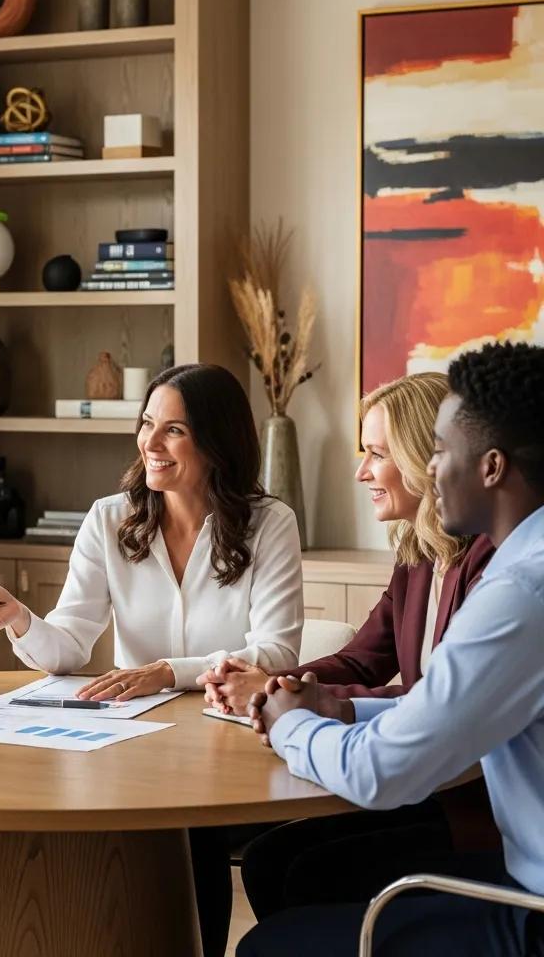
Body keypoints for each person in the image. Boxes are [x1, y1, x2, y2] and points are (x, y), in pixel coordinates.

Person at [0, 362, 305, 957]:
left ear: (216, 441)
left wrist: (169, 671)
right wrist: (18, 618)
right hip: (132, 745)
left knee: (192, 838)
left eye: (174, 431)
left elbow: (275, 652)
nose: (151, 443)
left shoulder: (269, 524)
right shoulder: (109, 519)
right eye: (146, 424)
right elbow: (68, 646)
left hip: (225, 745)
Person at [239, 341, 544, 957]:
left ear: (489, 467)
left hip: (531, 906)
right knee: (290, 866)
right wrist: (340, 709)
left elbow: (381, 774)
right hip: (521, 868)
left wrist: (293, 722)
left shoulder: (519, 592)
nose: (429, 471)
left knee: (267, 945)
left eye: (437, 452)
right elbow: (444, 705)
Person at [197, 373, 497, 917]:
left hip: (470, 805)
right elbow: (363, 657)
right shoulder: (418, 555)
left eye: (376, 454)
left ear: (422, 458)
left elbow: (437, 701)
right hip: (423, 781)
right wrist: (275, 687)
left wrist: (282, 695)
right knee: (269, 858)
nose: (362, 472)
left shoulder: (487, 563)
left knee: (305, 871)